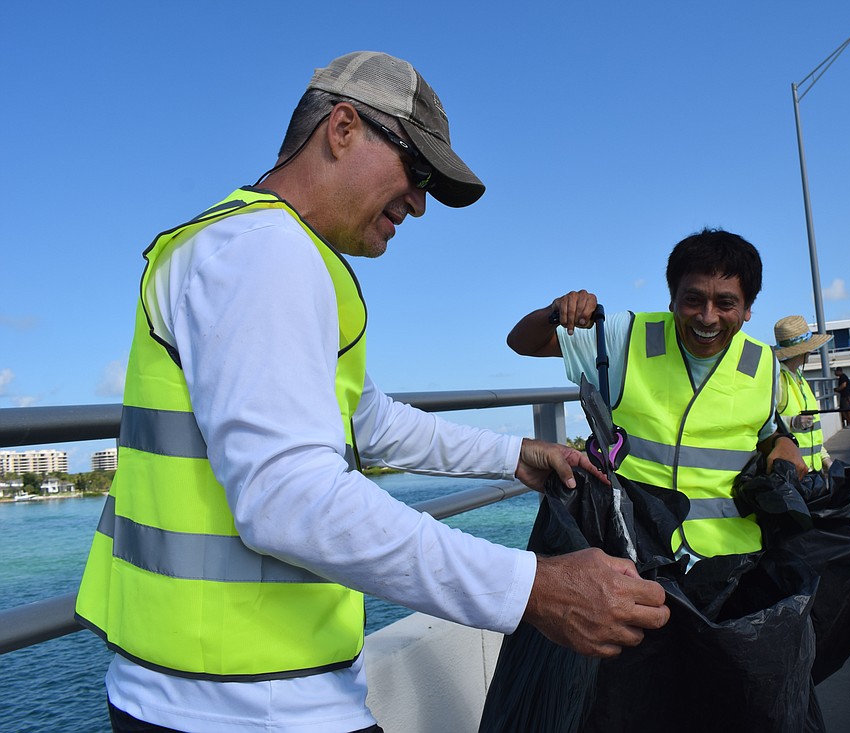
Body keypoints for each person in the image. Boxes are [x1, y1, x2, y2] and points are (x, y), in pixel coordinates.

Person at [74, 51, 668, 733]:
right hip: (244, 705)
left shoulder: (259, 247)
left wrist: (515, 455)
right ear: (343, 128)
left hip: (205, 689)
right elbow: (287, 496)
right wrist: (535, 586)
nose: (418, 203)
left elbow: (368, 421)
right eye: (415, 172)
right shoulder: (268, 254)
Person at [507, 228, 806, 562]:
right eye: (693, 300)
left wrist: (784, 444)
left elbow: (766, 434)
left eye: (725, 303)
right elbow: (522, 342)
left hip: (735, 559)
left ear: (748, 308)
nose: (707, 318)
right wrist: (555, 312)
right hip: (636, 555)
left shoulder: (764, 362)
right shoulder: (627, 335)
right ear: (672, 300)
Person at [774, 315, 834, 471]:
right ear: (805, 351)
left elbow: (812, 429)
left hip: (812, 472)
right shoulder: (779, 380)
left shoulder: (799, 378)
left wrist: (825, 459)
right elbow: (764, 422)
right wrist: (793, 422)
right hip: (793, 473)